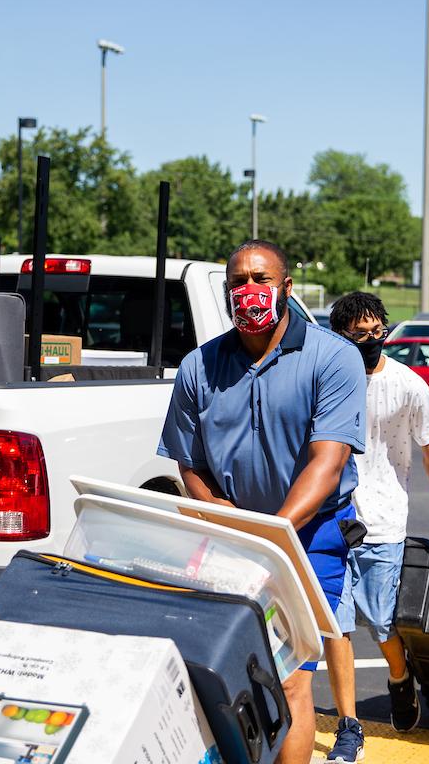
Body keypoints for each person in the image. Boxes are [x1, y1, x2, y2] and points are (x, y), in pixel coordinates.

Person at [158, 239, 366, 764]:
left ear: (286, 288)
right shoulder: (198, 368)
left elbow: (329, 462)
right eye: (237, 283)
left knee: (289, 680)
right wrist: (214, 507)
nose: (248, 291)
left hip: (309, 537)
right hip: (230, 538)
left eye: (261, 280)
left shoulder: (333, 357)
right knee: (218, 673)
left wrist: (272, 533)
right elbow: (190, 463)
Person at [322, 292, 429, 763]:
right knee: (335, 625)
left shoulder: (407, 384)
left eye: (376, 331)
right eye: (358, 334)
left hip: (384, 520)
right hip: (331, 519)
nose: (370, 340)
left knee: (380, 622)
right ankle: (350, 727)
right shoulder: (325, 380)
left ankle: (399, 674)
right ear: (339, 335)